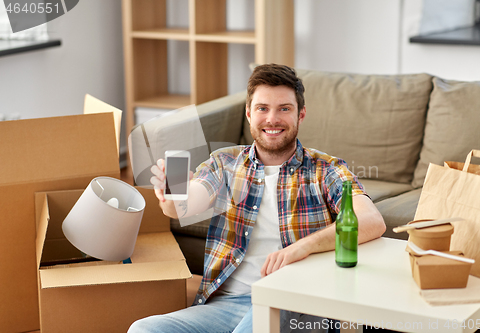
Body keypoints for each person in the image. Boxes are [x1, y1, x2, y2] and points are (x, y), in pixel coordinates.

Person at [128, 63, 386, 333]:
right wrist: (171, 191)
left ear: (301, 115)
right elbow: (183, 205)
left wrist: (302, 247)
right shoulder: (224, 163)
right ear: (249, 114)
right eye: (262, 108)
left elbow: (371, 220)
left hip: (291, 302)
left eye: (284, 109)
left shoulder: (326, 169)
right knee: (143, 330)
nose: (272, 119)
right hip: (226, 304)